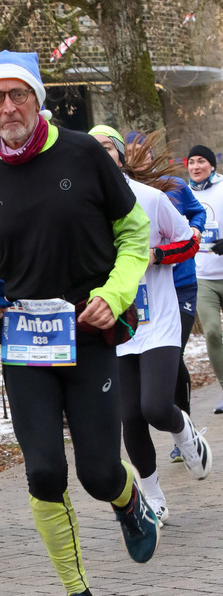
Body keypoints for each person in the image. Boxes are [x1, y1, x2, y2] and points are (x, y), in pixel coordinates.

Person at [0, 50, 157, 596]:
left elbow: (134, 233)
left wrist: (115, 295)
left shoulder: (83, 153)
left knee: (98, 472)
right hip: (24, 345)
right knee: (43, 471)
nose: (8, 107)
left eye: (17, 94)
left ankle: (128, 500)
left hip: (88, 334)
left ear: (37, 99)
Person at [90, 127, 210, 524]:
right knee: (131, 416)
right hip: (117, 323)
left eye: (106, 148)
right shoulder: (82, 209)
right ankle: (154, 497)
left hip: (158, 317)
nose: (100, 155)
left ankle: (184, 432)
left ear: (120, 156)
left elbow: (189, 242)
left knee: (156, 406)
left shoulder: (150, 198)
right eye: (92, 149)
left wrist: (157, 255)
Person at [124, 131, 206, 463]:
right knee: (139, 389)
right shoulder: (117, 193)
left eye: (142, 150)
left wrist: (195, 228)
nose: (137, 156)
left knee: (175, 355)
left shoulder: (173, 186)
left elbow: (197, 214)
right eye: (131, 151)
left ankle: (182, 430)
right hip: (138, 295)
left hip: (180, 284)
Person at [187, 145, 223, 413]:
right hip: (203, 277)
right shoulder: (183, 193)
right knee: (211, 331)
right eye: (191, 162)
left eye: (201, 161)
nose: (195, 166)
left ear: (212, 165)